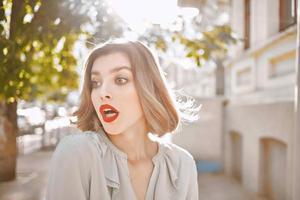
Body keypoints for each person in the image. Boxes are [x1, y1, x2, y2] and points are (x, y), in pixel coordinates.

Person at [46, 39, 199, 200]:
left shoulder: (182, 165)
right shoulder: (76, 153)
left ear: (150, 87)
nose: (102, 92)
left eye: (120, 80)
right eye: (95, 83)